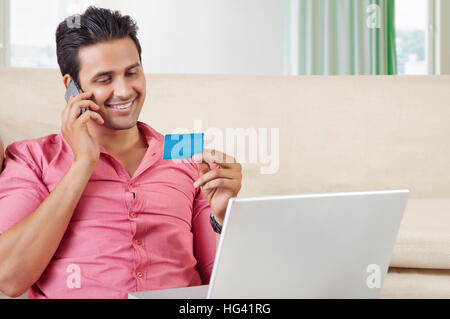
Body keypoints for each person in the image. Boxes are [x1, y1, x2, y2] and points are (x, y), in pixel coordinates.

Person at [0, 6, 242, 299]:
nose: (124, 90)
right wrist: (82, 164)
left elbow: (226, 291)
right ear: (72, 87)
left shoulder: (186, 155)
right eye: (105, 79)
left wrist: (224, 217)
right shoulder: (31, 158)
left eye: (132, 72)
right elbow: (9, 278)